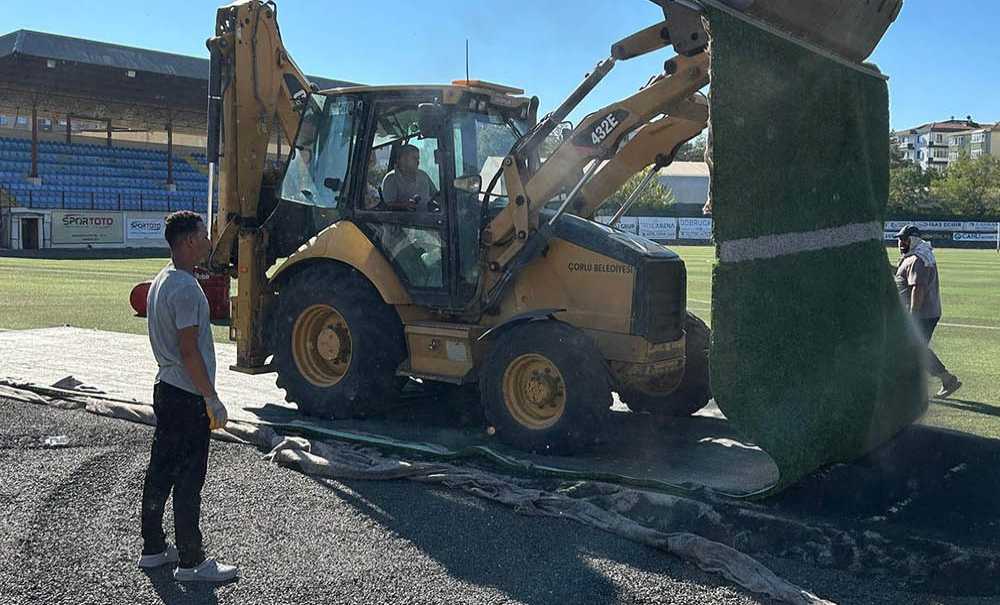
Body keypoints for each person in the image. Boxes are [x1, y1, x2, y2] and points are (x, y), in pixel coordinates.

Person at [138, 210, 239, 583]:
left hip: (166, 388)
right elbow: (189, 350)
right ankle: (192, 561)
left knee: (160, 471)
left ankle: (153, 548)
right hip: (186, 394)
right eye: (204, 235)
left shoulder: (162, 280)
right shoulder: (185, 288)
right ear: (190, 241)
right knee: (188, 478)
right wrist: (211, 397)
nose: (210, 241)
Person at [895, 224, 962, 398]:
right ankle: (939, 381)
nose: (901, 243)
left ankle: (946, 379)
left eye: (905, 239)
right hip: (926, 313)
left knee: (915, 348)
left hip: (921, 314)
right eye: (900, 240)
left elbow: (918, 288)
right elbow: (903, 275)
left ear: (913, 240)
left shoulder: (917, 259)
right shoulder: (914, 256)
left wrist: (912, 317)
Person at [381, 144, 438, 211]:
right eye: (414, 158)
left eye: (418, 159)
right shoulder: (391, 178)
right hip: (404, 217)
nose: (418, 162)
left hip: (428, 216)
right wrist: (404, 205)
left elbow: (436, 195)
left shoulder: (423, 175)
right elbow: (388, 205)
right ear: (403, 159)